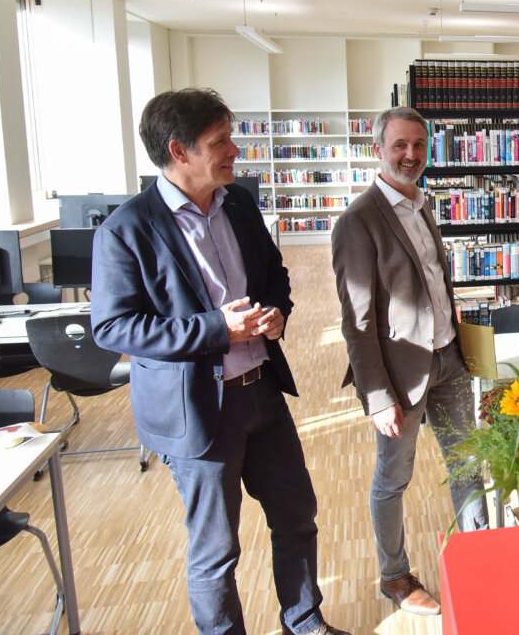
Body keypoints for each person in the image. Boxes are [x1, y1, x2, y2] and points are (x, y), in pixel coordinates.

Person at [91, 88, 347, 635]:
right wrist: (216, 329)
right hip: (199, 412)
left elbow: (274, 275)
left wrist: (276, 311)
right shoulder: (127, 230)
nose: (235, 150)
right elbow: (113, 327)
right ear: (179, 151)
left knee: (297, 518)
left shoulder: (241, 203)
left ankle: (304, 624)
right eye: (221, 141)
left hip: (262, 392)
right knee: (216, 549)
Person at [331, 107, 487, 617]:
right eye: (400, 145)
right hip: (401, 378)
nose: (411, 155)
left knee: (468, 463)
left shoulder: (423, 206)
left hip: (450, 361)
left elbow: (437, 285)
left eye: (419, 145)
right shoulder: (358, 221)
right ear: (378, 148)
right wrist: (377, 397)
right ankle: (394, 576)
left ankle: (481, 553)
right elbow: (357, 323)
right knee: (393, 478)